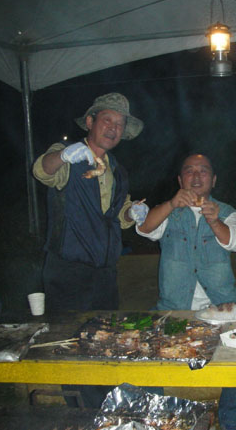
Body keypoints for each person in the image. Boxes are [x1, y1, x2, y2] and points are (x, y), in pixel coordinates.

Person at [33, 92, 147, 407]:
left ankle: (103, 411)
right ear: (90, 122)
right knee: (72, 346)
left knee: (105, 343)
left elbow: (120, 215)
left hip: (105, 272)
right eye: (107, 120)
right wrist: (63, 155)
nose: (113, 128)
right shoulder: (68, 157)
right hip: (67, 269)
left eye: (119, 124)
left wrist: (132, 213)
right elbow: (42, 170)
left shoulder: (118, 170)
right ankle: (80, 415)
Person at [135, 153, 236, 430]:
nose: (196, 177)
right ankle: (157, 420)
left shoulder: (227, 211)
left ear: (213, 180)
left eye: (203, 171)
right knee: (142, 351)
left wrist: (215, 220)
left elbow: (235, 242)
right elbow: (144, 228)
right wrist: (171, 203)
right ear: (180, 179)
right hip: (174, 308)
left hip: (222, 309)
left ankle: (233, 422)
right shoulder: (169, 210)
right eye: (189, 171)